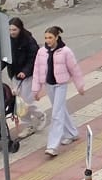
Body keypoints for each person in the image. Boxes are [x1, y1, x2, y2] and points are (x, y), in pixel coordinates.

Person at [31, 26, 84, 158]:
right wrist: (36, 90)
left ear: (57, 37)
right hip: (49, 85)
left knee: (56, 114)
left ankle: (52, 146)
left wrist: (80, 86)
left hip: (61, 85)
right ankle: (72, 133)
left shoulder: (65, 51)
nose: (47, 40)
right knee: (59, 109)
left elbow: (74, 69)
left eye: (50, 37)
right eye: (46, 38)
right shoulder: (42, 52)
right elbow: (37, 70)